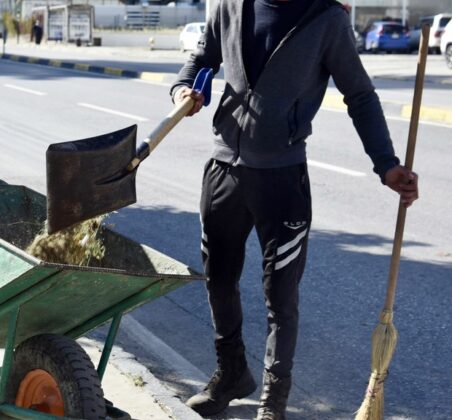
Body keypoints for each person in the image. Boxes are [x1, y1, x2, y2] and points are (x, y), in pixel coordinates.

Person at [170, 0, 419, 418]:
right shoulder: (230, 6)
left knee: (280, 296)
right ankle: (230, 373)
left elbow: (359, 95)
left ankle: (273, 403)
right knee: (218, 280)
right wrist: (182, 87)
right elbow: (201, 57)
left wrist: (387, 165)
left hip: (283, 178)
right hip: (223, 170)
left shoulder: (326, 19)